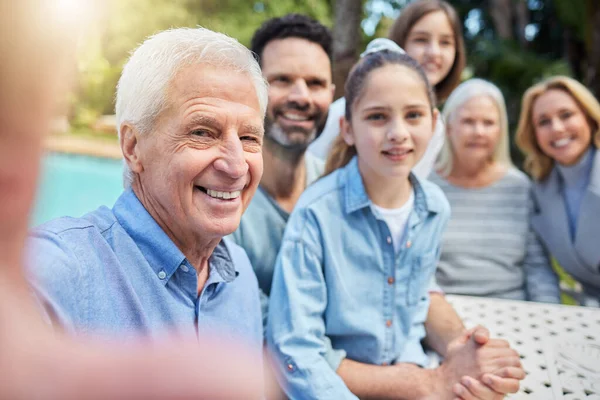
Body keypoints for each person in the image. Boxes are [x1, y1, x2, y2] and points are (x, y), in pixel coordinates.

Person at [0, 1, 266, 398]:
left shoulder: (238, 271)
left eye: (249, 138)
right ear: (132, 146)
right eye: (203, 132)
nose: (235, 165)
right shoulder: (50, 272)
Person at [267, 50, 524, 400]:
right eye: (377, 117)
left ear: (434, 124)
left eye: (414, 115)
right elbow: (295, 349)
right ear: (348, 129)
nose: (398, 133)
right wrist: (424, 384)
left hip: (413, 369)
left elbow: (414, 306)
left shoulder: (434, 208)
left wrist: (468, 361)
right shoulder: (316, 214)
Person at [230, 14, 334, 332]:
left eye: (315, 83)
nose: (301, 97)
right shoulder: (222, 193)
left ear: (331, 92)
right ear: (251, 88)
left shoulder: (338, 188)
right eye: (282, 80)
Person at [429, 79, 561, 303]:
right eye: (468, 121)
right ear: (448, 127)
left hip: (513, 309)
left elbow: (537, 268)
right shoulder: (426, 186)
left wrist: (550, 314)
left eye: (488, 123)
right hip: (443, 310)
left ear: (500, 130)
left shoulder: (519, 187)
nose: (478, 132)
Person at [308, 0, 466, 179]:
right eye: (421, 40)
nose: (434, 52)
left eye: (445, 42)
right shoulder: (342, 112)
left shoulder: (436, 127)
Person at [516, 76, 600, 307]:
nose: (557, 128)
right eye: (543, 121)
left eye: (566, 115)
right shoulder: (540, 191)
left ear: (589, 118)